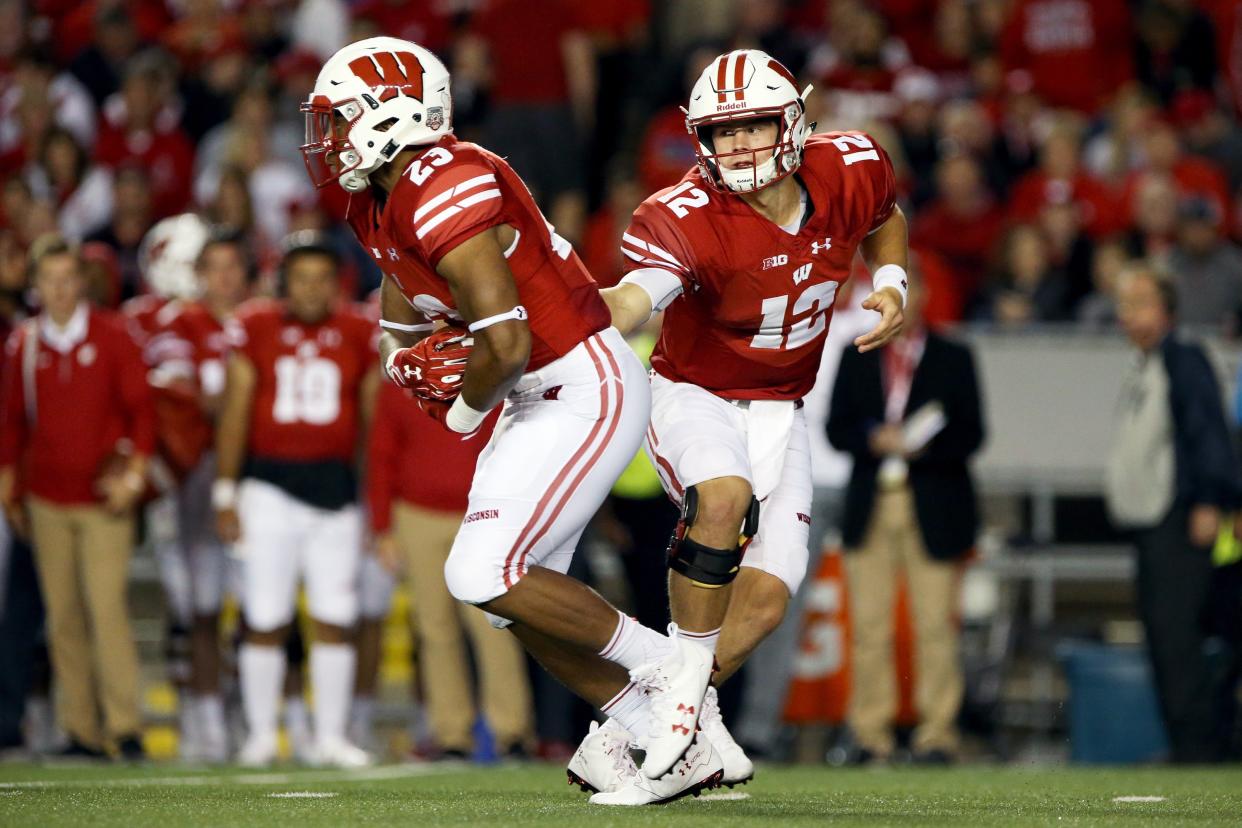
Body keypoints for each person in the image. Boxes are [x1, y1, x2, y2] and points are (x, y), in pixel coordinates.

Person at [300, 37, 719, 801]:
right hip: (541, 392)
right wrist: (400, 356)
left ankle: (674, 677)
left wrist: (463, 406)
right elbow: (404, 300)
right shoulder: (384, 194)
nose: (327, 140)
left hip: (579, 379)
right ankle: (650, 730)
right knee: (512, 602)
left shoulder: (445, 179)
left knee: (480, 570)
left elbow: (507, 340)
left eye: (340, 119)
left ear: (390, 116)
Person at [594, 49, 907, 798]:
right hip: (692, 392)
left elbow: (884, 218)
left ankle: (636, 724)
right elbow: (638, 298)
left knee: (768, 599)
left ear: (794, 121)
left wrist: (892, 281)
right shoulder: (685, 213)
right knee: (724, 496)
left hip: (780, 406)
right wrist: (582, 313)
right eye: (720, 132)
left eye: (752, 127)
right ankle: (678, 719)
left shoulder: (852, 165)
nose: (734, 146)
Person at [213, 233, 379, 768]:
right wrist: (225, 489)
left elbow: (370, 424)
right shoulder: (257, 325)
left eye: (321, 278)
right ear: (285, 281)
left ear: (337, 283)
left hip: (333, 489)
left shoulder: (358, 330)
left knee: (335, 615)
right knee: (265, 615)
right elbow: (236, 410)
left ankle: (330, 736)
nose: (311, 288)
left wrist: (371, 495)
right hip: (268, 488)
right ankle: (263, 734)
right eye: (301, 277)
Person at [0, 233, 155, 760]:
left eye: (70, 278)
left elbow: (142, 411)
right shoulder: (24, 344)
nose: (62, 290)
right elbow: (11, 425)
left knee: (106, 608)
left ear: (82, 282)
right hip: (46, 497)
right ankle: (82, 730)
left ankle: (125, 726)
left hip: (101, 498)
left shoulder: (115, 336)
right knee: (62, 615)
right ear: (36, 284)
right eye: (52, 280)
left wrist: (133, 473)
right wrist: (8, 487)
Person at [827, 267, 983, 763]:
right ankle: (870, 733)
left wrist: (923, 450)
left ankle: (937, 734)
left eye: (911, 291)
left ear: (925, 298)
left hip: (932, 501)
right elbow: (837, 428)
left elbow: (973, 434)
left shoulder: (954, 357)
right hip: (872, 501)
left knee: (935, 625)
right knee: (870, 626)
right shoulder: (857, 354)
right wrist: (873, 440)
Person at [1106, 263, 1240, 763]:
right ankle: (1187, 743)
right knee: (1164, 637)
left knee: (1178, 638)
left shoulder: (1183, 358)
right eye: (1125, 305)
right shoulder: (1146, 364)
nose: (1128, 315)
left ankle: (1199, 748)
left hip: (1180, 519)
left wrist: (1210, 499)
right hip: (1153, 522)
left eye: (1141, 303)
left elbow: (1207, 432)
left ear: (1166, 309)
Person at [366, 381, 534, 758]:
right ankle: (451, 734)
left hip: (479, 513)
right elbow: (382, 451)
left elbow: (507, 444)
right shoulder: (401, 380)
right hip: (416, 513)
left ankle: (512, 730)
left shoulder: (488, 369)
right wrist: (382, 527)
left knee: (493, 626)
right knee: (434, 628)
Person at [147, 230, 251, 762]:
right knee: (203, 608)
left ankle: (255, 722)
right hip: (200, 478)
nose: (225, 278)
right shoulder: (179, 323)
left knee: (263, 611)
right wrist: (243, 405)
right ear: (199, 273)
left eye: (234, 267)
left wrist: (229, 403)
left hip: (262, 477)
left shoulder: (262, 319)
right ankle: (208, 722)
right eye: (215, 267)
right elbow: (179, 398)